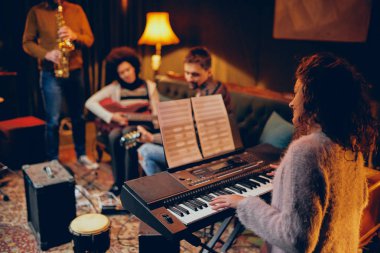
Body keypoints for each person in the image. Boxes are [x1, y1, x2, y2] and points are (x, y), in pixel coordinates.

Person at [209, 53, 377, 253]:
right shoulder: (350, 145)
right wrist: (291, 175)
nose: (291, 102)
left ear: (314, 100)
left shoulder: (306, 151)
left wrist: (243, 203)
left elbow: (296, 240)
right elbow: (355, 199)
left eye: (297, 92)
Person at [23, 0, 98, 169]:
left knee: (78, 116)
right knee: (53, 120)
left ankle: (82, 154)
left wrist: (74, 35)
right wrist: (46, 54)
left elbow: (89, 39)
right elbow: (27, 42)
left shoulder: (76, 10)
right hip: (50, 71)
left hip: (75, 70)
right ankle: (53, 160)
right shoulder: (36, 12)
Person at [137, 46, 232, 176]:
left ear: (209, 72)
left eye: (195, 74)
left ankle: (166, 194)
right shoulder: (209, 88)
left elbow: (193, 135)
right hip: (198, 147)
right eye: (187, 73)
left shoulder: (212, 95)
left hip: (206, 153)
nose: (189, 78)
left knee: (145, 151)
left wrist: (152, 138)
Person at [85, 46, 159, 195]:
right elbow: (90, 103)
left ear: (134, 67)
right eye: (121, 72)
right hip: (124, 124)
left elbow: (157, 115)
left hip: (144, 127)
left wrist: (157, 125)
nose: (126, 74)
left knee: (126, 132)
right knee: (113, 135)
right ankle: (119, 183)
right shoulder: (115, 88)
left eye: (128, 69)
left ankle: (131, 188)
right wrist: (111, 117)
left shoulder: (150, 86)